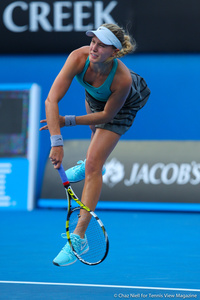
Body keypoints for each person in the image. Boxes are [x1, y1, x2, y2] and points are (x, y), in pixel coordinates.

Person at [40, 23, 151, 266]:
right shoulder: (78, 57)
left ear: (114, 51)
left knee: (93, 164)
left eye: (101, 45)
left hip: (122, 106)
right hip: (95, 95)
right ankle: (89, 163)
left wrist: (66, 121)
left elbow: (106, 117)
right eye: (93, 41)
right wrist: (56, 143)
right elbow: (52, 99)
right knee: (93, 144)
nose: (94, 47)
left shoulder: (121, 80)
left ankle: (78, 238)